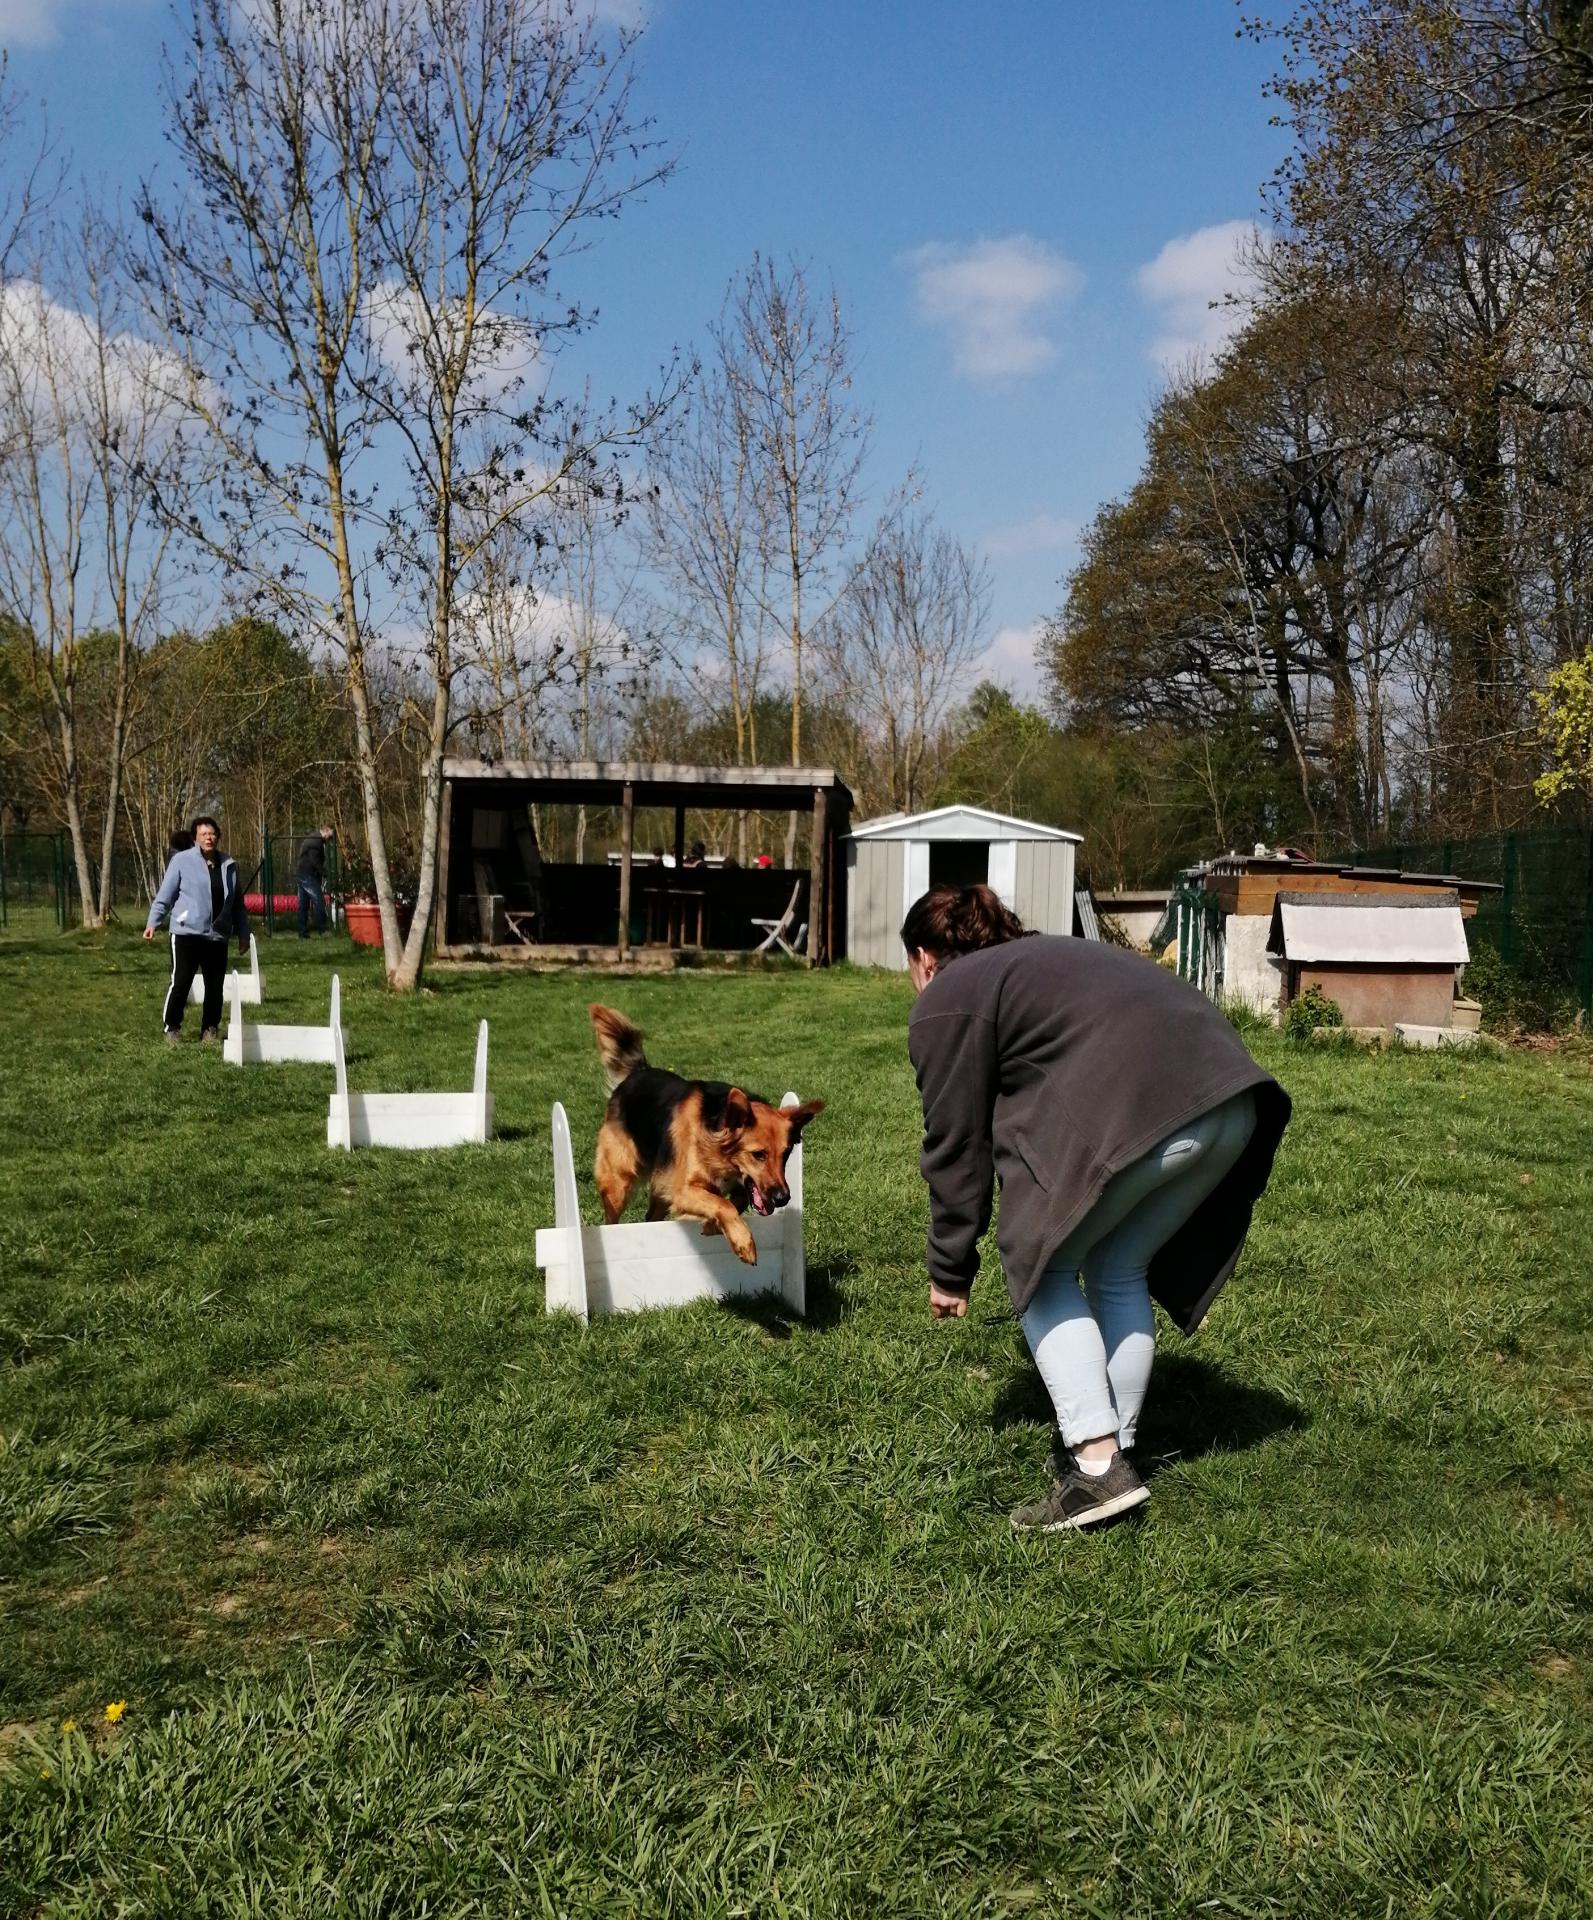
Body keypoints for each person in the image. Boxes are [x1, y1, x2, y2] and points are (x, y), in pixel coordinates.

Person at [904, 883, 1290, 1533]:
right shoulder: (1050, 958)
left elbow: (954, 1141)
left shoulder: (948, 993)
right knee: (1116, 1264)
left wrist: (949, 1266)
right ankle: (1118, 1452)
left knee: (1044, 1264)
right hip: (1235, 1102)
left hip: (1153, 1109)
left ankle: (1093, 1467)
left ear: (922, 959)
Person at [143, 816, 251, 1045]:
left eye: (212, 834)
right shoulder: (182, 861)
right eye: (203, 834)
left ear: (218, 837)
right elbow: (165, 895)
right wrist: (153, 922)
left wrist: (243, 933)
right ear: (195, 838)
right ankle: (172, 1027)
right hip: (186, 933)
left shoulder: (228, 864)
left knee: (215, 986)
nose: (208, 838)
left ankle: (210, 1029)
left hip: (217, 935)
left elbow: (238, 903)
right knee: (181, 981)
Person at [295, 824, 334, 937]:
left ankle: (302, 932)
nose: (330, 839)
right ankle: (323, 929)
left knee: (303, 904)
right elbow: (315, 861)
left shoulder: (312, 839)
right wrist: (324, 873)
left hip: (301, 873)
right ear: (325, 831)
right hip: (309, 875)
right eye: (330, 836)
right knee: (319, 901)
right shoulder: (316, 842)